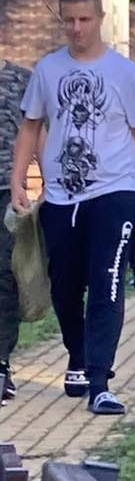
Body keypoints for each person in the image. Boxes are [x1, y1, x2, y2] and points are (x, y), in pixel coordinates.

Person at [9, 0, 135, 416]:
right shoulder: (48, 70)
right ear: (61, 20)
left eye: (85, 20)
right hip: (63, 196)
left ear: (99, 19)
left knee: (107, 278)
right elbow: (30, 127)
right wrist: (18, 181)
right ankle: (78, 356)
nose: (77, 28)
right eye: (69, 20)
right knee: (64, 286)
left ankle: (101, 380)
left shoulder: (124, 72)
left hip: (115, 192)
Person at [0, 61, 28, 404]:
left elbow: (37, 131)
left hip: (6, 190)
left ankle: (1, 363)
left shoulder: (21, 79)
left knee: (4, 277)